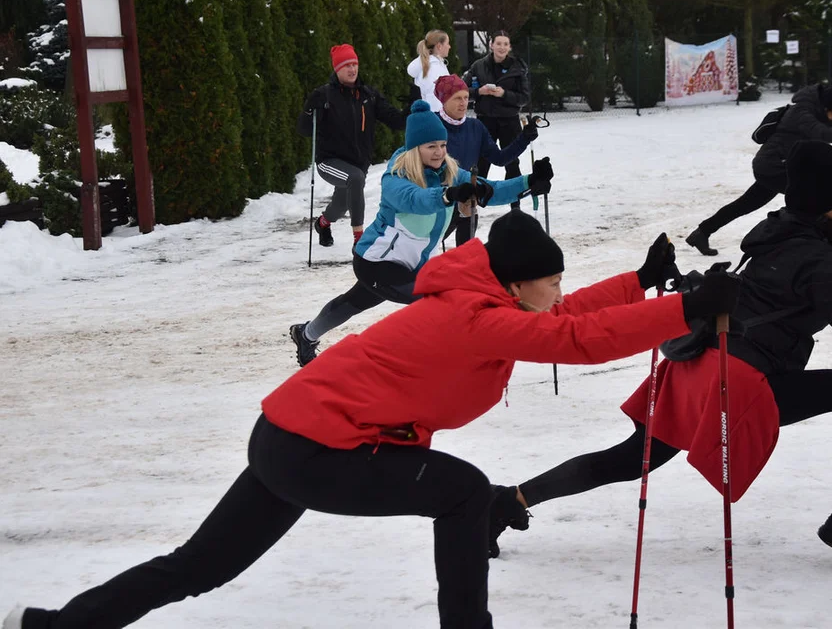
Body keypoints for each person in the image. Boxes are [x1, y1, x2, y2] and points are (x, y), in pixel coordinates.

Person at [2, 211, 744, 629]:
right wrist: (682, 308)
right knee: (461, 490)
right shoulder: (479, 320)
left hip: (289, 437)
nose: (560, 286)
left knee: (200, 567)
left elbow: (565, 315)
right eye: (551, 277)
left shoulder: (482, 301)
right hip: (317, 451)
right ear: (517, 283)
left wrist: (639, 283)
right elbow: (571, 338)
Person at [488, 141, 832, 571]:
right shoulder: (814, 253)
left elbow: (820, 295)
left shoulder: (779, 233)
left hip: (702, 365)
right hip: (742, 383)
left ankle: (508, 503)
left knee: (628, 459)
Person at [289, 100, 552, 367]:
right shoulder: (395, 178)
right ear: (415, 148)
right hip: (376, 262)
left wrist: (530, 182)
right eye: (431, 146)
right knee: (435, 305)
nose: (439, 152)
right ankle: (436, 364)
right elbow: (416, 199)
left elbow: (489, 189)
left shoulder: (449, 172)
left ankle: (306, 333)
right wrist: (448, 195)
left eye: (443, 145)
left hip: (411, 265)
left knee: (353, 303)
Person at [685, 83, 832, 256]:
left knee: (746, 204)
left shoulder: (814, 111)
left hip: (777, 165)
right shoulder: (802, 112)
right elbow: (822, 133)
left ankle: (701, 233)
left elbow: (829, 129)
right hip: (774, 166)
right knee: (808, 203)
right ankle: (804, 245)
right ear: (825, 106)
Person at [300, 43, 409, 248]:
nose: (352, 69)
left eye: (354, 64)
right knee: (355, 179)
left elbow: (396, 122)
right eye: (346, 65)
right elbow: (306, 130)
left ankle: (323, 224)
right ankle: (360, 240)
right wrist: (308, 111)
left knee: (341, 205)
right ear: (336, 69)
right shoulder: (324, 95)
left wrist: (413, 106)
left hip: (358, 162)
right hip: (329, 161)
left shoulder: (369, 95)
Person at [434, 74, 541, 247]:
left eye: (466, 98)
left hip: (468, 197)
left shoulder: (475, 127)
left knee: (466, 253)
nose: (463, 103)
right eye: (457, 98)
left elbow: (499, 158)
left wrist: (524, 138)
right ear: (444, 100)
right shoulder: (432, 124)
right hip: (439, 199)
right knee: (428, 248)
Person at [463, 31, 531, 209]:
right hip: (485, 121)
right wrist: (479, 92)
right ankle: (474, 202)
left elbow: (524, 98)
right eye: (498, 43)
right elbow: (462, 91)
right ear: (491, 45)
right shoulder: (478, 66)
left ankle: (515, 206)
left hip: (509, 121)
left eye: (505, 44)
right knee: (480, 163)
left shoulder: (517, 68)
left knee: (512, 163)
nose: (501, 47)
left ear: (509, 47)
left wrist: (504, 94)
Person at [407, 29, 452, 112]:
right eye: (447, 43)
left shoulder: (435, 64)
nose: (449, 46)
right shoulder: (434, 68)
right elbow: (434, 99)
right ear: (439, 46)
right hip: (435, 119)